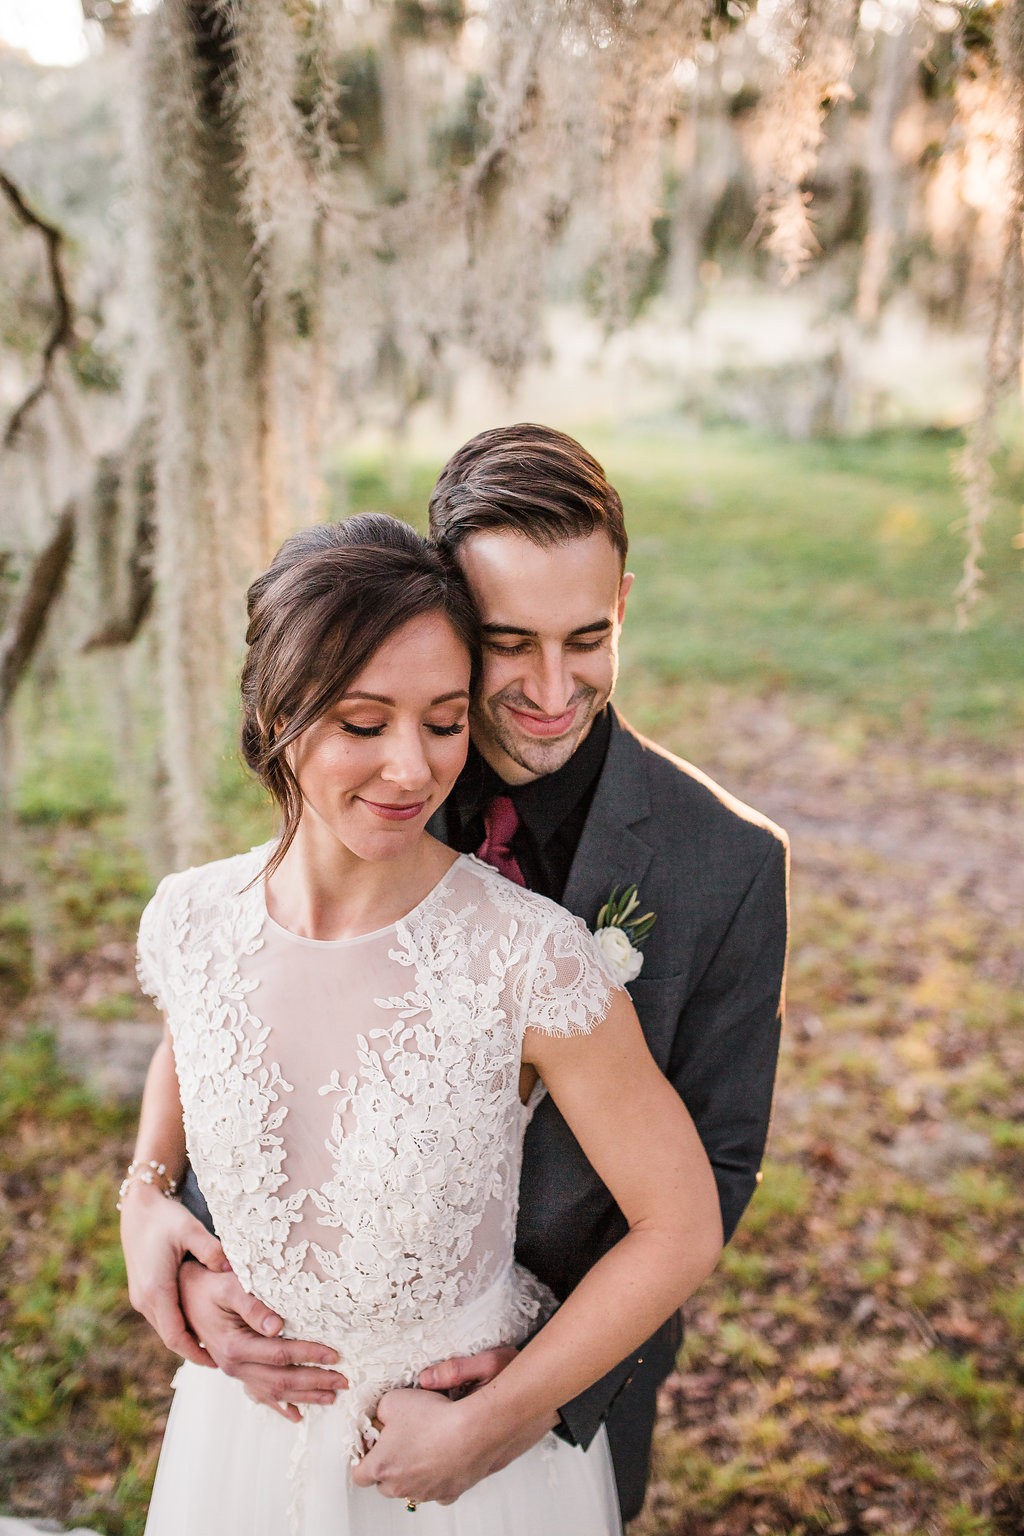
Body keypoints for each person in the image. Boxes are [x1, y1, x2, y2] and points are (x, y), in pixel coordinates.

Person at [122, 426, 789, 1522]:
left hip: (554, 1388)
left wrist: (523, 1405)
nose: (545, 689)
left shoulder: (721, 867)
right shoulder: (376, 767)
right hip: (271, 1398)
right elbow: (232, 1015)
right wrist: (147, 1204)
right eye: (505, 643)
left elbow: (703, 1182)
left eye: (587, 638)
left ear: (623, 603)